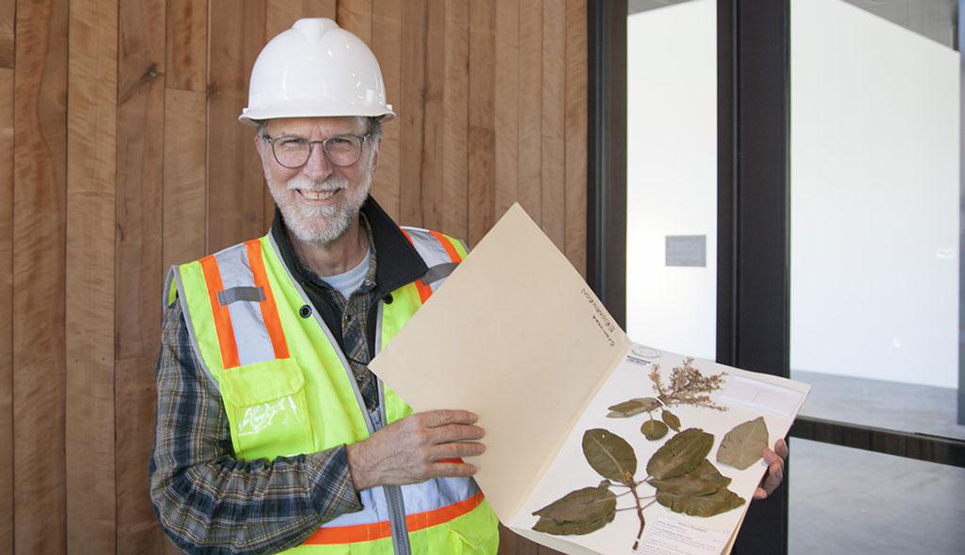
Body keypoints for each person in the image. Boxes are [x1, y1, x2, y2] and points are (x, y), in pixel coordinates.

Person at [149, 17, 786, 555]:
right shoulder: (208, 298)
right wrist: (362, 465)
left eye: (341, 140)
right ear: (263, 152)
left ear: (373, 147)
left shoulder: (454, 268)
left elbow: (569, 405)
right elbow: (185, 505)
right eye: (292, 144)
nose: (317, 170)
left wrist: (720, 456)